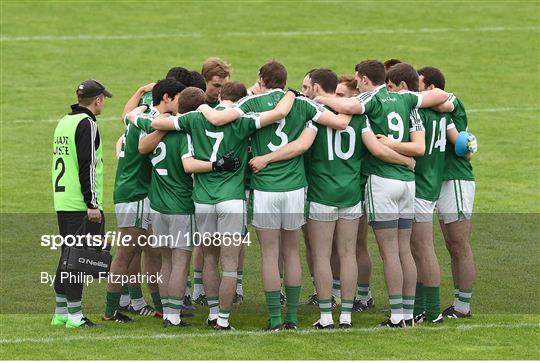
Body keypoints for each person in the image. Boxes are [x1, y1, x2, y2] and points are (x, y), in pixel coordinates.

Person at [249, 68, 415, 329]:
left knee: (322, 256)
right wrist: (406, 160)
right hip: (350, 194)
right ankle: (347, 316)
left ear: (316, 89)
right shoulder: (358, 118)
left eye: (307, 88)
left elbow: (301, 147)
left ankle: (326, 316)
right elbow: (376, 149)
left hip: (321, 194)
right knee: (348, 254)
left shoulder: (314, 116)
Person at [315, 60, 450, 327]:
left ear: (365, 80)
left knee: (390, 253)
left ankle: (398, 316)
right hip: (408, 184)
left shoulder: (371, 97)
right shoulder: (406, 100)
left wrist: (319, 97)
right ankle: (409, 315)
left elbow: (349, 107)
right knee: (404, 251)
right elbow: (439, 101)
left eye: (357, 81)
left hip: (383, 181)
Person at [152, 81, 297, 330]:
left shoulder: (193, 120)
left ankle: (212, 313)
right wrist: (292, 94)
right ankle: (223, 320)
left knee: (209, 258)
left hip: (203, 200)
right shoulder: (242, 122)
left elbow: (157, 123)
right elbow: (277, 115)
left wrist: (137, 116)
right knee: (230, 265)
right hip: (231, 199)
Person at [51, 79, 112, 328]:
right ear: (97, 100)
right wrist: (93, 203)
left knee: (67, 256)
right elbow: (88, 165)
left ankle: (61, 312)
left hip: (63, 199)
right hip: (80, 203)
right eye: (103, 99)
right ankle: (75, 317)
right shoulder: (87, 123)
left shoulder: (64, 122)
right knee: (78, 259)